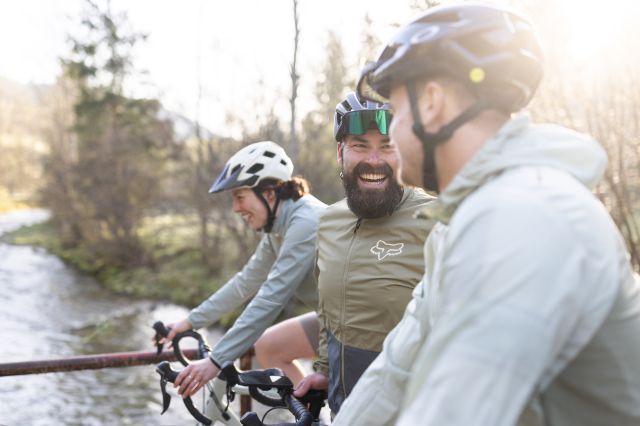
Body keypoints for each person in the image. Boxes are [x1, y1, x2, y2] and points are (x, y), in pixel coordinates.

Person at [333, 3, 640, 425]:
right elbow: (396, 372)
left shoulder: (527, 216)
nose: (393, 135)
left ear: (433, 104)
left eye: (397, 114)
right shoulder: (463, 220)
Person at [291, 92, 436, 415]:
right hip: (344, 411)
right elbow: (329, 315)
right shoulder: (329, 221)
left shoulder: (436, 221)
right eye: (360, 145)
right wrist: (325, 372)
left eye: (388, 145)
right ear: (341, 151)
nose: (374, 160)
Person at [159, 140, 326, 398]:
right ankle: (315, 418)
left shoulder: (305, 221)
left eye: (239, 197)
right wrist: (189, 321)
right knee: (269, 347)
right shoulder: (278, 228)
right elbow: (245, 283)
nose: (236, 208)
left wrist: (217, 361)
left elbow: (272, 297)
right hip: (332, 320)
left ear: (269, 193)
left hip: (360, 328)